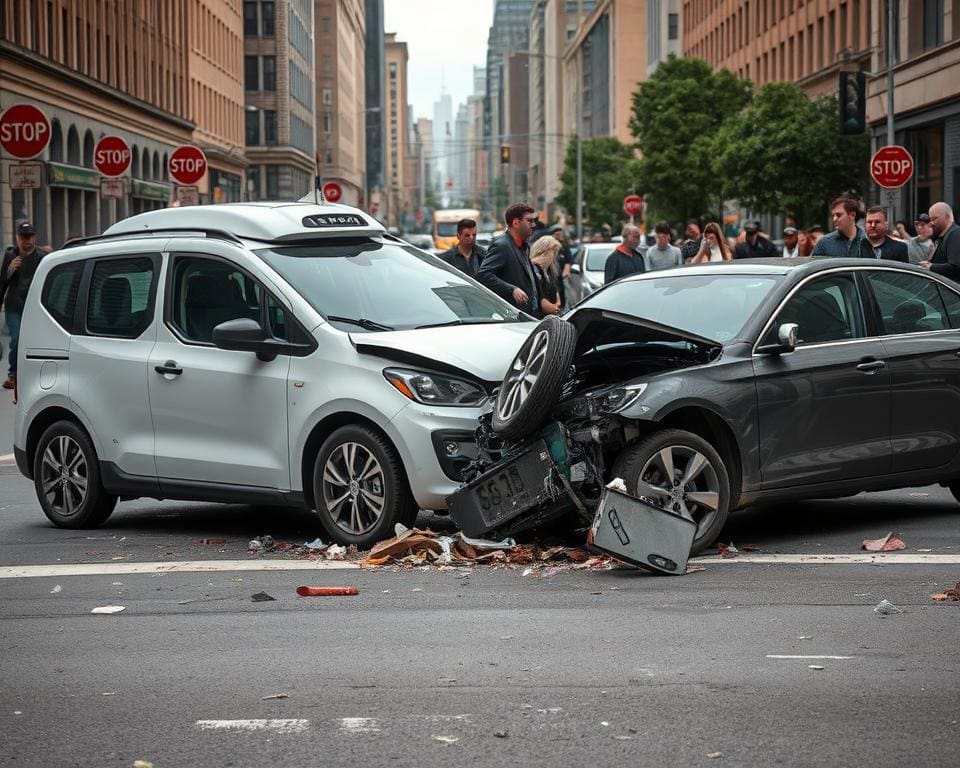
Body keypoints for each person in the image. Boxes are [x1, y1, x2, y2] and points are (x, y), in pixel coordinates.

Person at [0, 222, 44, 389]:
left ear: (35, 238)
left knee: (34, 342)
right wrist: (9, 271)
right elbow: (2, 283)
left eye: (30, 237)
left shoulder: (42, 257)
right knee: (17, 338)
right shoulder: (10, 256)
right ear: (18, 238)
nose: (28, 241)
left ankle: (30, 373)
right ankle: (13, 374)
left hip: (34, 307)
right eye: (24, 237)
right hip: (14, 307)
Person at [476, 202, 540, 316]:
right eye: (529, 221)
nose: (533, 225)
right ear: (516, 222)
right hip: (513, 316)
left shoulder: (523, 246)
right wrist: (512, 289)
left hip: (529, 315)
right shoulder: (502, 245)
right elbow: (484, 275)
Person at [919, 201, 960, 280]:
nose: (931, 223)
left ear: (947, 217)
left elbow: (956, 266)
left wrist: (931, 266)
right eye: (930, 220)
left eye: (934, 219)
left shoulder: (955, 234)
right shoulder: (943, 237)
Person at [529, 236, 562, 316]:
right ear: (543, 251)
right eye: (553, 252)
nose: (554, 257)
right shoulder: (534, 269)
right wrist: (554, 307)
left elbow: (556, 291)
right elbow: (539, 299)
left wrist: (556, 304)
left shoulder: (549, 270)